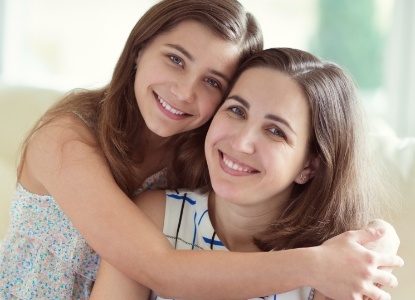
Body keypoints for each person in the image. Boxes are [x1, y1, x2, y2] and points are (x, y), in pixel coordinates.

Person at [0, 0, 402, 299]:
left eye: (212, 82)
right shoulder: (66, 138)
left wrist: (378, 240)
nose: (184, 91)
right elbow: (162, 269)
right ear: (139, 48)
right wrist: (315, 265)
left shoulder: (199, 157)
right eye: (175, 59)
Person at [90, 48, 402, 300]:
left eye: (275, 131)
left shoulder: (338, 267)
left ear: (310, 166)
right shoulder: (156, 217)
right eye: (237, 111)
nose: (241, 142)